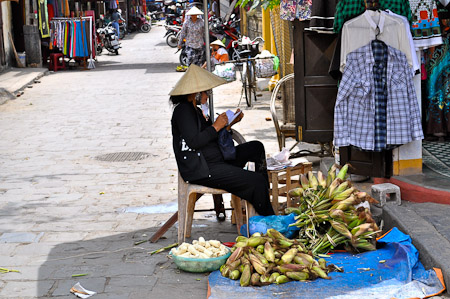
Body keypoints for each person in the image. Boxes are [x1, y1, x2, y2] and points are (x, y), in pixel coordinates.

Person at [170, 64, 276, 216]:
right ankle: (268, 216)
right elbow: (194, 141)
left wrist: (228, 125)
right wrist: (215, 126)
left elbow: (210, 136)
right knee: (256, 181)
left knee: (255, 148)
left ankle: (261, 196)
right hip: (203, 169)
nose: (208, 94)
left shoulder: (196, 110)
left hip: (215, 160)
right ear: (196, 93)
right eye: (205, 91)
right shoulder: (183, 111)